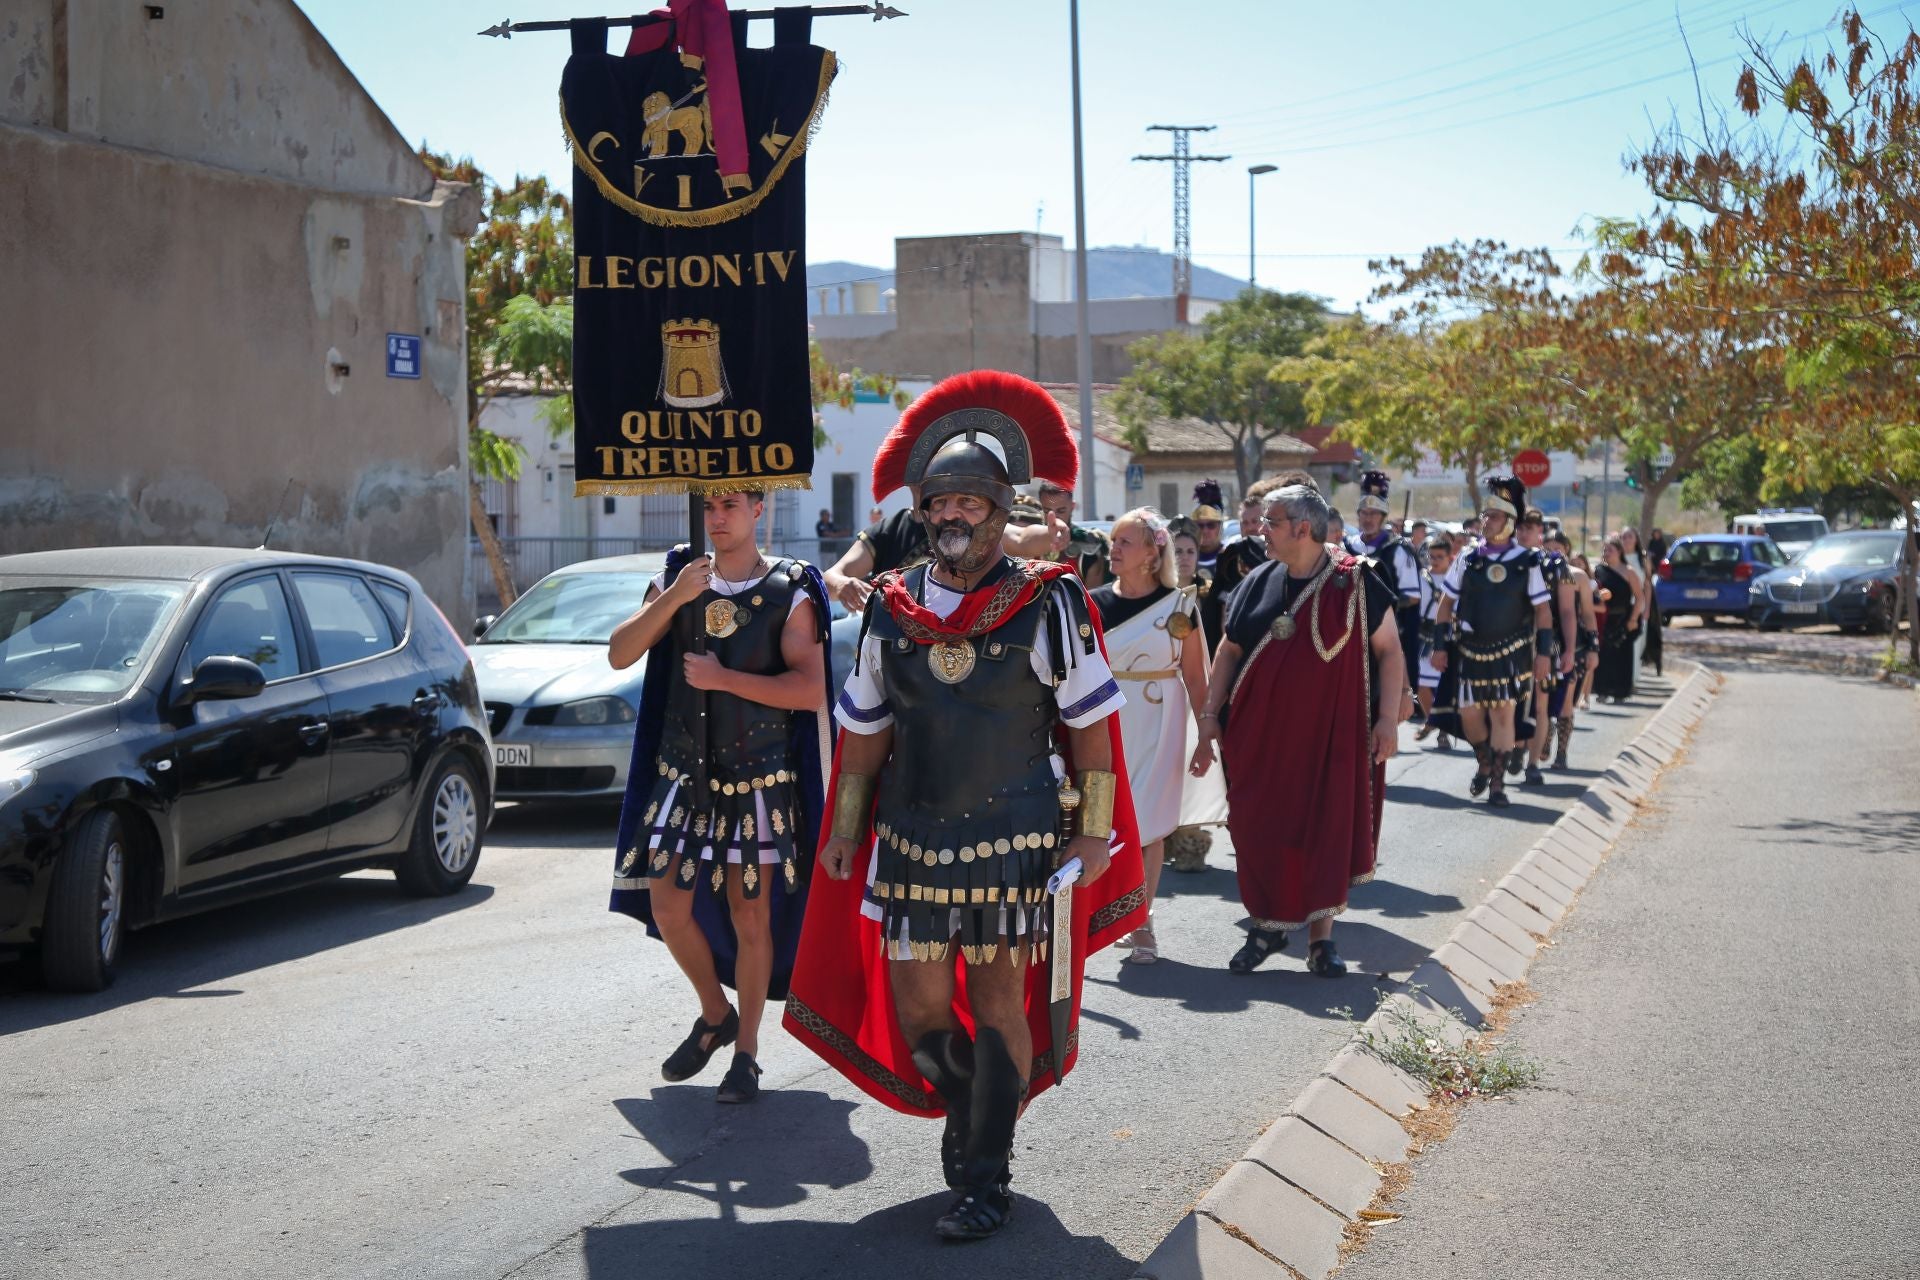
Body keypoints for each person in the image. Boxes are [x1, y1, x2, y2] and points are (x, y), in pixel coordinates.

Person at [785, 370, 1145, 1242]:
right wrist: (842, 831)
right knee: (918, 1016)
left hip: (1015, 842)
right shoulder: (892, 613)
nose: (951, 515)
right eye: (937, 501)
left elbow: (1092, 730)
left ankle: (987, 1172)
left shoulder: (1049, 601)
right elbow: (864, 734)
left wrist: (1094, 832)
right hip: (910, 842)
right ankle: (971, 1111)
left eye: (968, 503)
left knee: (995, 1007)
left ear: (998, 507)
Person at [607, 491, 832, 1104]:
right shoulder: (679, 576)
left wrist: (725, 679)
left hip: (758, 783)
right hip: (683, 777)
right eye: (709, 505)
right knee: (668, 907)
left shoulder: (791, 590)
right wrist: (678, 596)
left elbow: (811, 690)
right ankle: (715, 1013)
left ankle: (748, 1054)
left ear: (759, 509)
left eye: (730, 504)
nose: (716, 516)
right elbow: (619, 652)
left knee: (749, 915)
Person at [1193, 484, 1407, 977]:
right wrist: (1208, 717)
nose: (1259, 530)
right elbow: (1229, 650)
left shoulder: (1356, 583)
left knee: (1324, 832)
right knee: (1259, 829)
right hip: (1258, 740)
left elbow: (1390, 650)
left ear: (1302, 529)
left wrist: (1388, 719)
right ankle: (1267, 928)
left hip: (1332, 738)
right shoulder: (1257, 580)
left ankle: (1321, 940)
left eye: (1271, 522)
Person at [1092, 509, 1213, 964]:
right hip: (1104, 717)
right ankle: (1104, 917)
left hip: (1160, 719)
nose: (1114, 549)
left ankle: (1142, 922)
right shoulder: (1093, 602)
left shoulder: (1179, 606)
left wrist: (1205, 737)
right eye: (1114, 540)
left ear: (1150, 553)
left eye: (1125, 541)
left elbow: (1197, 677)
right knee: (1102, 822)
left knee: (1149, 826)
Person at [1428, 476, 1554, 809]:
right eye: (1485, 515)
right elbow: (1445, 606)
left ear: (1510, 522)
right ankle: (1484, 760)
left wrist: (1544, 654)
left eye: (1494, 516)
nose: (1486, 521)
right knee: (1470, 717)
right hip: (1471, 650)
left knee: (1502, 715)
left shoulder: (1528, 562)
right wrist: (1440, 646)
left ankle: (1497, 784)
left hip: (1511, 654)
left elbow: (1543, 611)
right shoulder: (1467, 559)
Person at [823, 496, 1069, 615]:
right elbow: (831, 577)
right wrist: (843, 585)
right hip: (899, 645)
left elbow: (1021, 538)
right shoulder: (889, 530)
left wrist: (1051, 534)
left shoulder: (967, 520)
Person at [1345, 470, 1424, 711]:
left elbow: (1412, 596)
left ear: (1383, 517)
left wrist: (1381, 605)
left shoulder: (1398, 550)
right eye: (1364, 513)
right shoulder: (1346, 546)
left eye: (1374, 514)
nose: (1368, 518)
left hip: (1388, 631)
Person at [1516, 509, 1578, 787]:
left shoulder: (1554, 564)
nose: (1523, 533)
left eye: (1529, 528)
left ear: (1540, 531)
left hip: (1545, 642)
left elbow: (1566, 611)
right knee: (1509, 702)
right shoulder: (1504, 560)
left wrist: (1569, 650)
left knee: (1540, 705)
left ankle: (1532, 763)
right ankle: (1516, 746)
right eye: (1519, 527)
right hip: (1508, 643)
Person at [1546, 529, 1600, 768]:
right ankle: (1542, 741)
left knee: (1566, 700)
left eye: (1558, 548)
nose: (1553, 552)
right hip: (1542, 642)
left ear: (1566, 549)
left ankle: (1562, 752)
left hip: (1572, 644)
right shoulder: (1536, 573)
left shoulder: (1577, 577)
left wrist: (1593, 648)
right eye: (1549, 548)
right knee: (1541, 699)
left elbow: (1588, 614)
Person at [1413, 534, 1455, 751]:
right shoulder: (1420, 577)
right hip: (1423, 634)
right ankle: (1432, 720)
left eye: (1440, 556)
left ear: (1450, 557)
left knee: (1443, 686)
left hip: (1445, 634)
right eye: (1432, 556)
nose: (1435, 560)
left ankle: (1442, 729)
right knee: (1420, 684)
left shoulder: (1455, 581)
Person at [1591, 536, 1640, 702]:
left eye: (1610, 550)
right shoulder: (1598, 570)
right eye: (1604, 550)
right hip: (1604, 618)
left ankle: (1620, 692)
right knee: (1604, 656)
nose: (1606, 553)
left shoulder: (1628, 571)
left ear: (1619, 551)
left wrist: (1633, 619)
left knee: (1621, 656)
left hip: (1622, 619)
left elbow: (1639, 598)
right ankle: (1602, 691)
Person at [1189, 479, 1230, 650]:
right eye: (1200, 525)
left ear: (1220, 526)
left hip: (1220, 636)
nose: (1205, 530)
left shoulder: (1230, 557)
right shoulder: (1184, 556)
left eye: (1211, 525)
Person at [1617, 526, 1652, 686]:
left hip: (1638, 605)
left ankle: (1633, 678)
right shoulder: (1618, 558)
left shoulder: (1643, 560)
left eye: (1629, 536)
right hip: (1621, 606)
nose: (1626, 540)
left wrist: (1647, 609)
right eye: (1623, 537)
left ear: (1636, 539)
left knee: (1636, 644)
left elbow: (1647, 585)